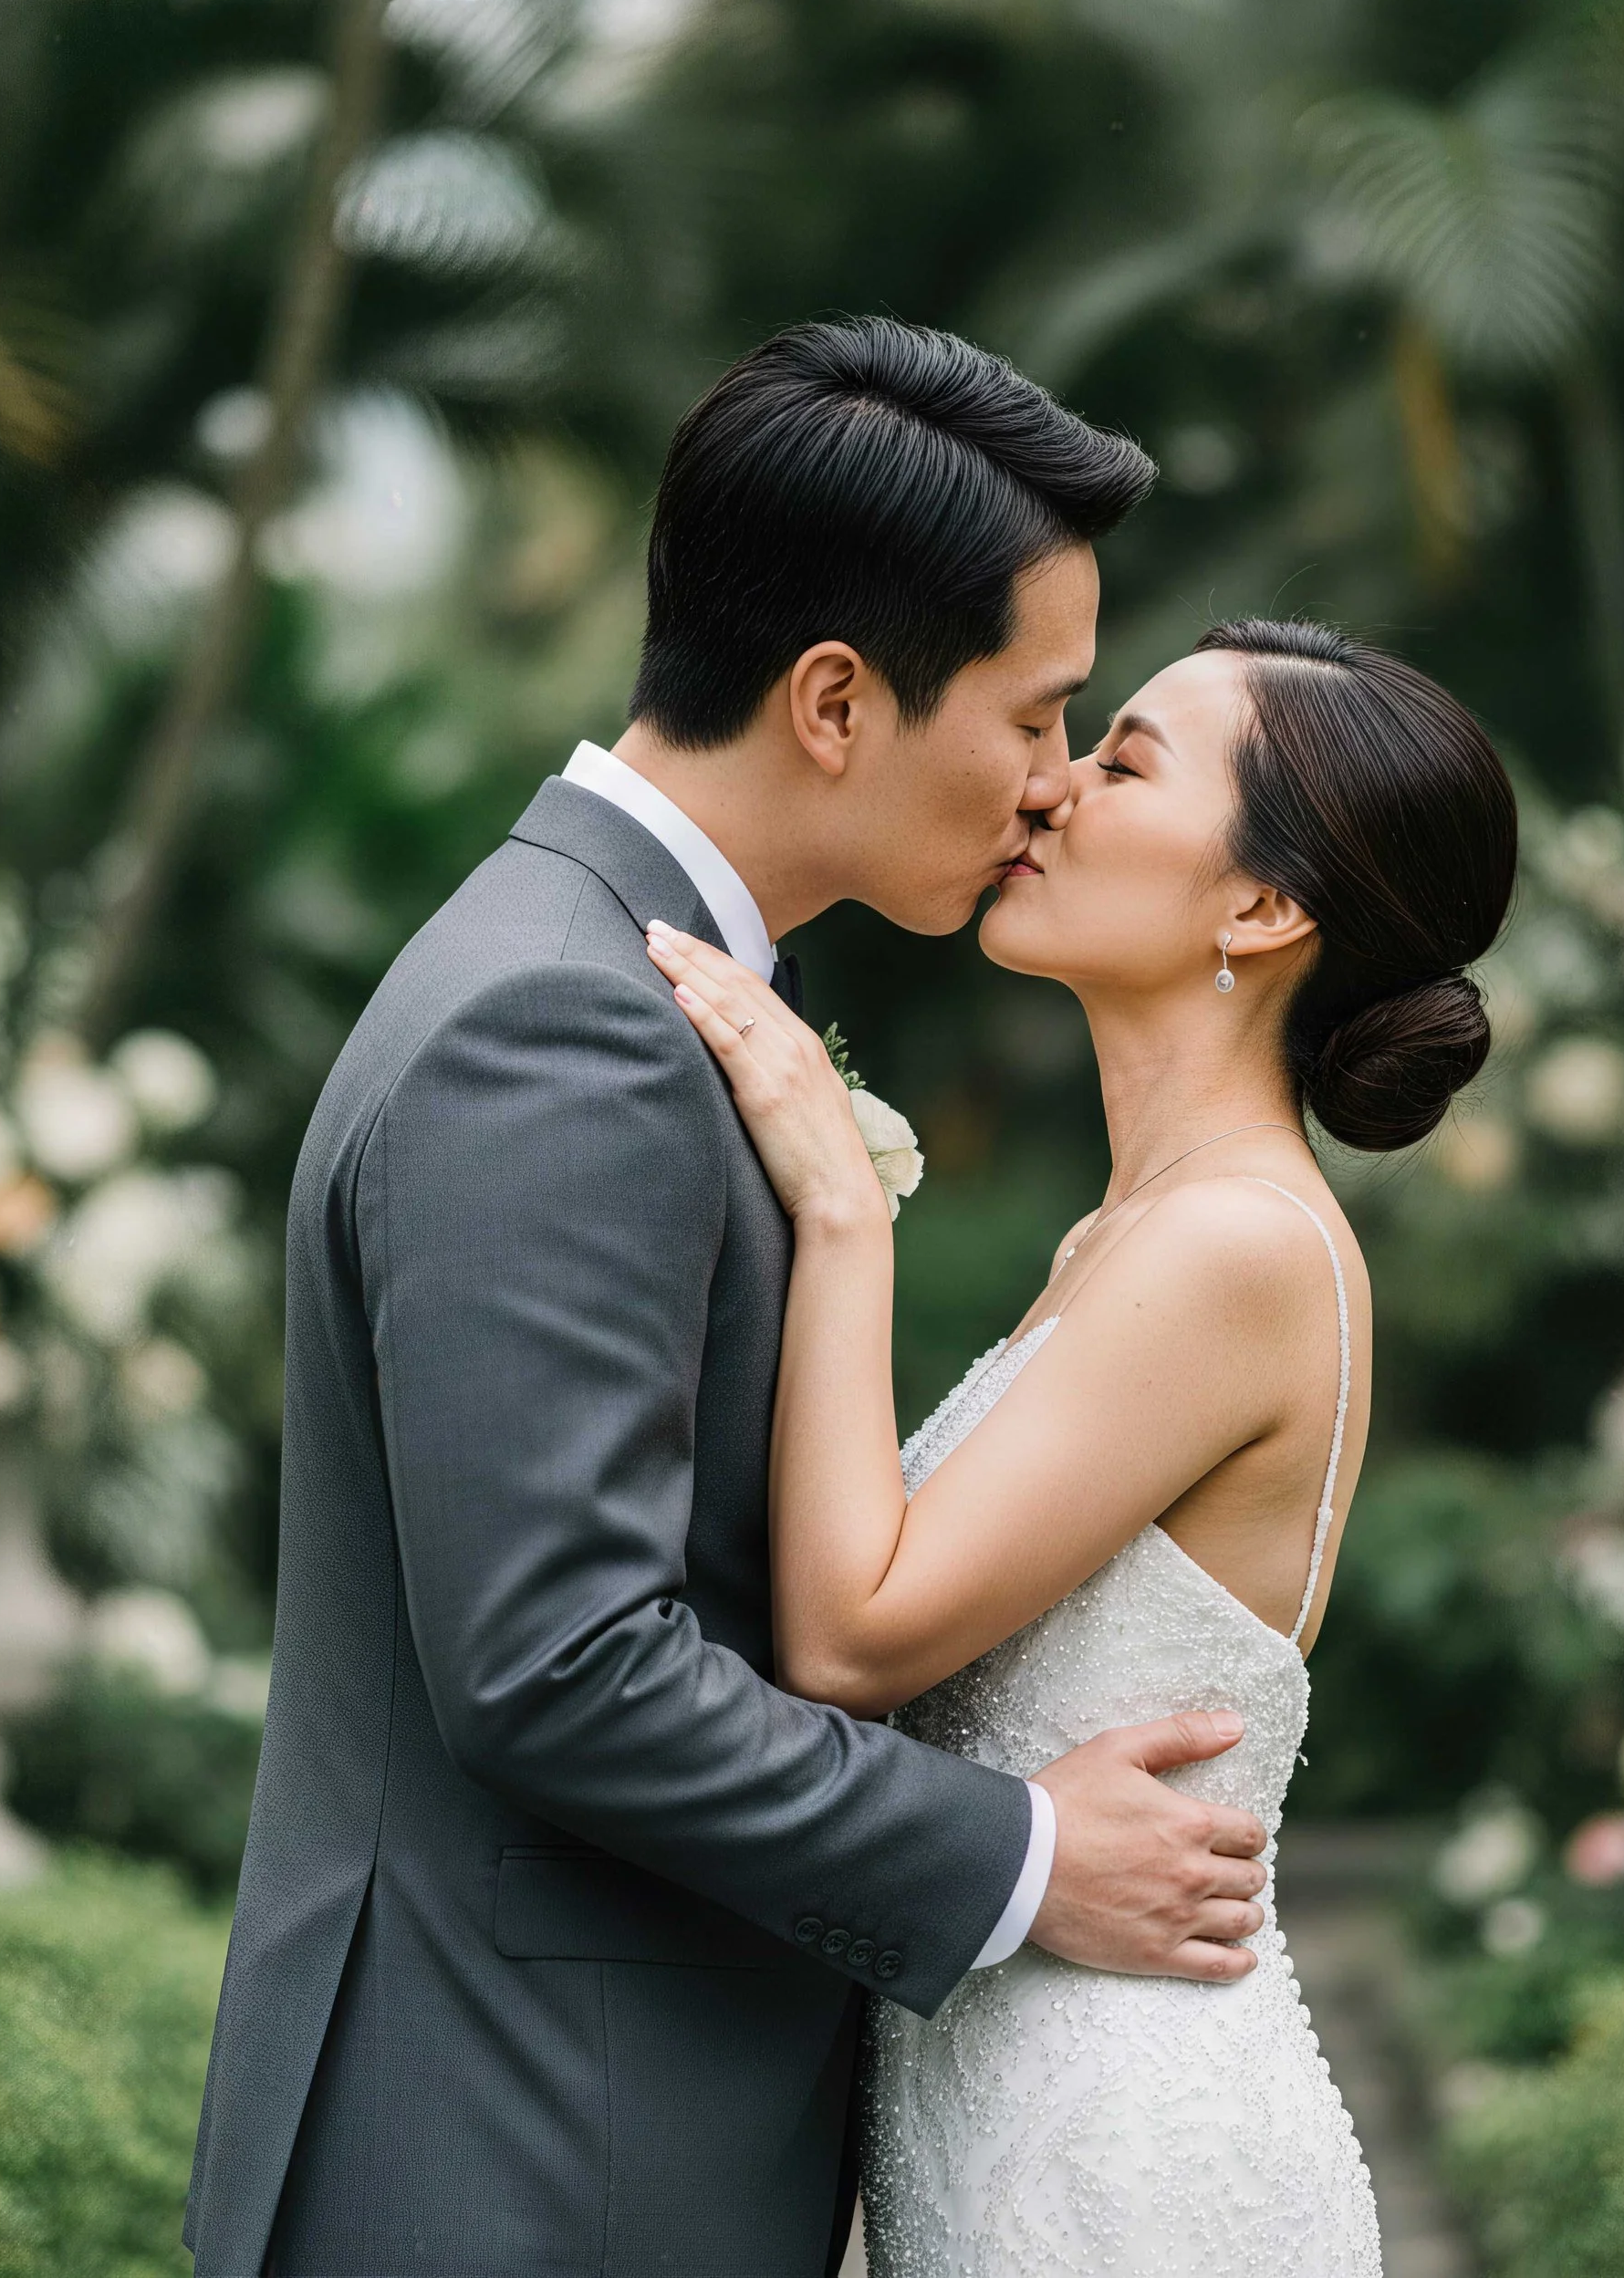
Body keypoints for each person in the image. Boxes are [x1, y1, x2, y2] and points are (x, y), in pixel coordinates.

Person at [183, 319, 1280, 2278]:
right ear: (838, 701)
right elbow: (559, 1662)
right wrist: (1021, 1854)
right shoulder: (561, 1023)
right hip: (514, 2156)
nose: (1047, 783)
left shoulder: (631, 978)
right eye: (1033, 715)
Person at [646, 615, 1517, 2274]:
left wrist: (841, 1215)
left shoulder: (1236, 1249)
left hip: (1124, 2169)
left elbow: (848, 1637)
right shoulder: (1133, 1237)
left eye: (1124, 762)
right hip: (998, 2118)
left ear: (1262, 909)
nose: (1049, 791)